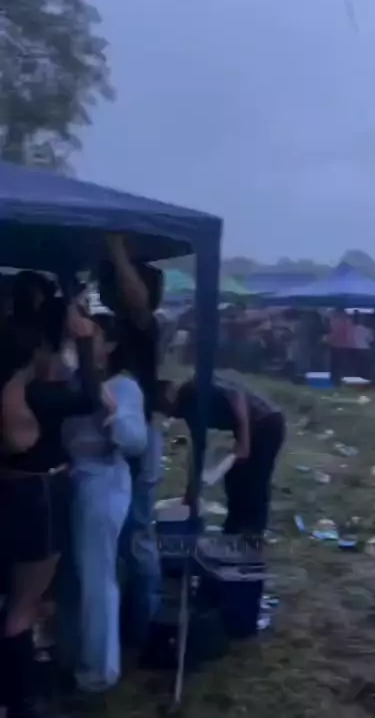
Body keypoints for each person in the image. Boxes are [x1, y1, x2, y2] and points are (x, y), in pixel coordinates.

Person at [0, 300, 108, 718]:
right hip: (37, 500)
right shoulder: (38, 396)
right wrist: (84, 343)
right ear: (32, 355)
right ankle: (22, 701)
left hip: (10, 494)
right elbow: (91, 398)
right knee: (24, 605)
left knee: (13, 597)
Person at [60, 314, 147, 698]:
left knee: (97, 575)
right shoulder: (68, 379)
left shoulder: (123, 386)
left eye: (91, 335)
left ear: (109, 345)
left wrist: (107, 405)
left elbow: (134, 440)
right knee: (71, 575)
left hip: (102, 485)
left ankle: (99, 670)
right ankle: (70, 653)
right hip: (68, 483)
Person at [98, 234, 163, 647]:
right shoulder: (118, 327)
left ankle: (144, 626)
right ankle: (130, 617)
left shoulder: (144, 323)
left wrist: (117, 251)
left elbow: (137, 299)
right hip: (127, 434)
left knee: (137, 531)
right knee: (122, 531)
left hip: (140, 437)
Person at [155, 377, 285, 540]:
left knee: (255, 482)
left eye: (162, 406)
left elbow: (237, 395)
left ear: (168, 394)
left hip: (267, 422)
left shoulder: (192, 390)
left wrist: (243, 441)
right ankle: (233, 532)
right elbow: (197, 448)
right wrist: (191, 492)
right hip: (253, 427)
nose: (167, 414)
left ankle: (253, 537)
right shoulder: (187, 410)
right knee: (234, 479)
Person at [327, 308, 354, 385]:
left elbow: (334, 333)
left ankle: (336, 379)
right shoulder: (347, 322)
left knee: (335, 363)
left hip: (336, 345)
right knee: (340, 363)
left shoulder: (335, 322)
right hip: (343, 345)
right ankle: (338, 379)